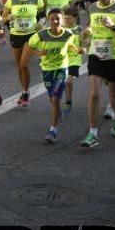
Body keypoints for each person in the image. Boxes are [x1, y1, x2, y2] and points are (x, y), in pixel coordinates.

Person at [80, 0, 115, 148]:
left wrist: (114, 26)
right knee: (94, 93)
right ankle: (93, 134)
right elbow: (92, 24)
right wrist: (88, 31)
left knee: (113, 93)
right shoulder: (92, 7)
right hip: (96, 54)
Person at [24, 8, 76, 143]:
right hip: (46, 69)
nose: (55, 21)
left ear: (62, 20)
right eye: (52, 19)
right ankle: (56, 112)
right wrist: (39, 53)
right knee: (52, 97)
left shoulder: (68, 34)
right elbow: (28, 46)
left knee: (55, 98)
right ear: (48, 20)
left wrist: (79, 50)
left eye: (58, 18)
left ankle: (53, 131)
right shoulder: (41, 34)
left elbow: (69, 45)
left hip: (61, 69)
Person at [2, 0, 44, 107]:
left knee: (24, 65)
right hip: (15, 34)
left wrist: (41, 23)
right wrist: (8, 18)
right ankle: (24, 90)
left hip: (30, 35)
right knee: (19, 66)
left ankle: (26, 92)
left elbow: (43, 15)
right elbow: (3, 17)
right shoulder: (12, 0)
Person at [62, 7, 86, 115]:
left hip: (74, 59)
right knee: (64, 82)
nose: (67, 21)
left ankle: (68, 101)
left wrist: (83, 48)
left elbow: (84, 44)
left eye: (69, 19)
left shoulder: (79, 29)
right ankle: (67, 99)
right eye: (65, 18)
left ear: (75, 18)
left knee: (68, 81)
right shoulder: (60, 28)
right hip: (61, 59)